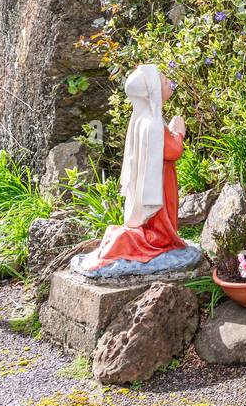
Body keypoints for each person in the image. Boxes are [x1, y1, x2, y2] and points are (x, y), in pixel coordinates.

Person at [76, 63, 188, 272]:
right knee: (161, 219)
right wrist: (178, 132)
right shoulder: (153, 124)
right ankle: (161, 239)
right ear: (152, 92)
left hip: (149, 180)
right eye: (164, 82)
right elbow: (173, 151)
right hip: (161, 182)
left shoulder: (141, 119)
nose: (169, 83)